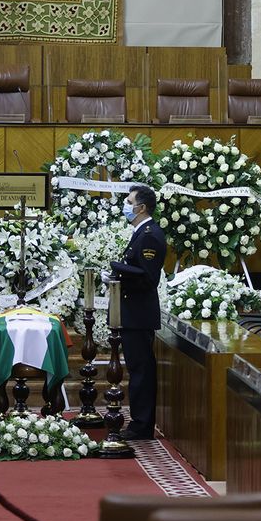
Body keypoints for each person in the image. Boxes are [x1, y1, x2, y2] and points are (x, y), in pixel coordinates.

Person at [110, 185, 167, 441]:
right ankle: (139, 422)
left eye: (129, 201)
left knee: (141, 372)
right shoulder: (140, 232)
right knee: (137, 370)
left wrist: (118, 271)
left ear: (141, 207)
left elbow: (148, 277)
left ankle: (141, 426)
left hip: (139, 315)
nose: (125, 204)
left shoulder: (149, 236)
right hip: (132, 313)